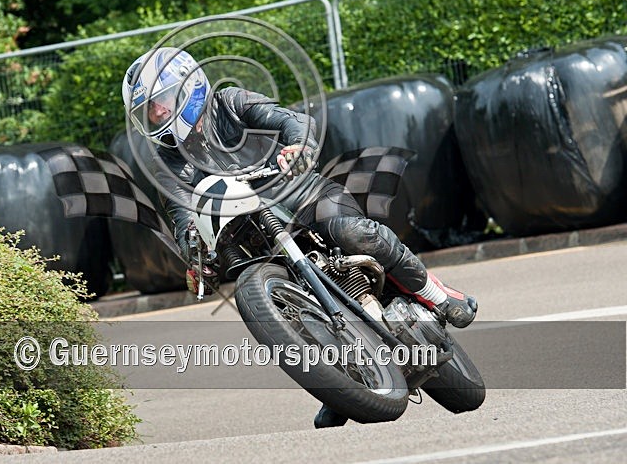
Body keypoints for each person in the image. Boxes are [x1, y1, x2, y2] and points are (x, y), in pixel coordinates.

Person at [122, 47, 477, 428]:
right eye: (149, 111)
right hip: (243, 231)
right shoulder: (166, 160)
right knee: (261, 297)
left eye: (159, 103)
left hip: (295, 193)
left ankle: (438, 295)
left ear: (188, 87)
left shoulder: (231, 102)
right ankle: (338, 383)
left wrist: (298, 147)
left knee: (350, 232)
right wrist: (194, 250)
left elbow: (292, 121)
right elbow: (180, 213)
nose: (157, 115)